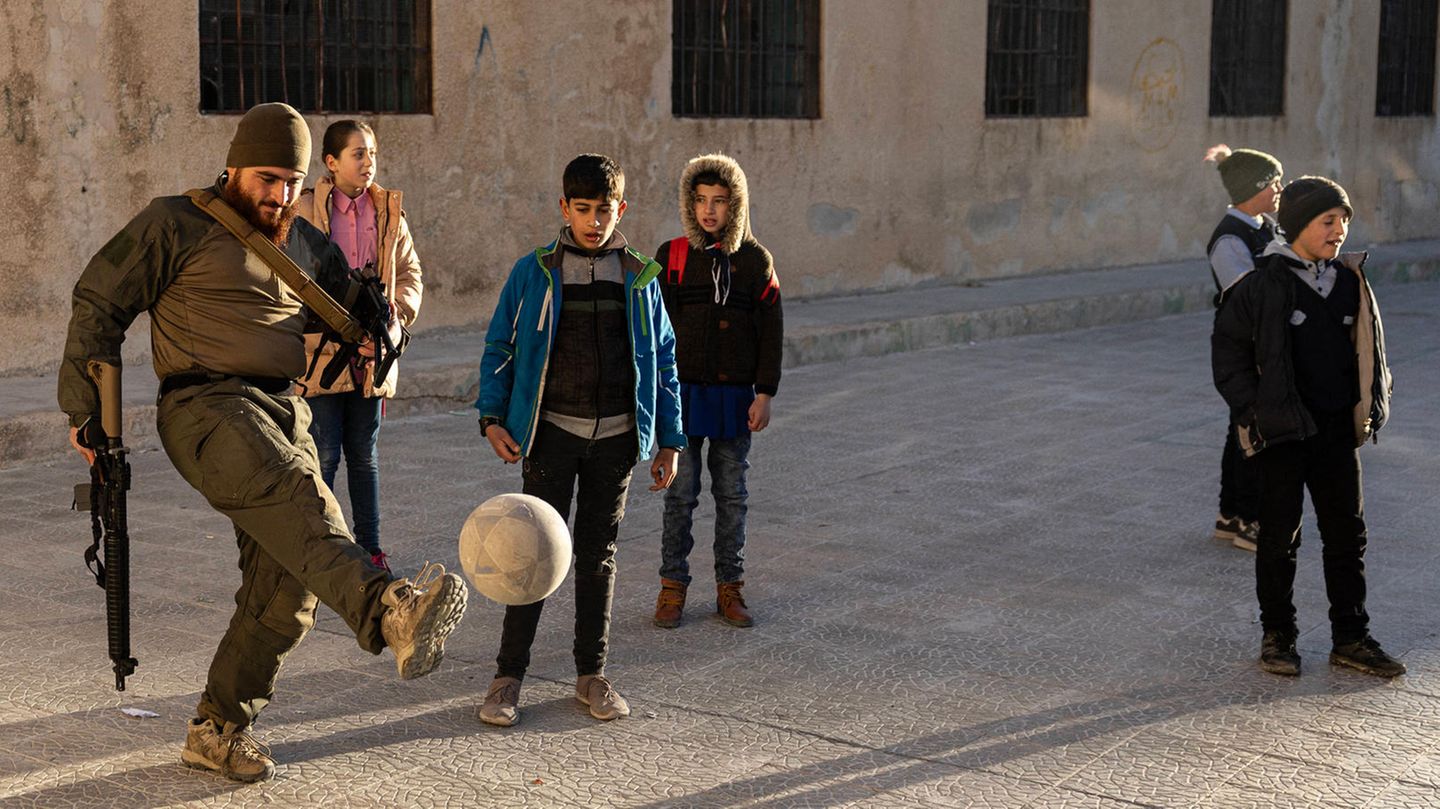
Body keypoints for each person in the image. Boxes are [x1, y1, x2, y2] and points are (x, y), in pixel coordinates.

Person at [58, 103, 467, 783]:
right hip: (205, 404)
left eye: (291, 182)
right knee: (297, 495)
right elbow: (99, 299)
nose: (278, 194)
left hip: (284, 406)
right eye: (268, 178)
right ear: (235, 165)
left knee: (291, 582)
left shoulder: (301, 240)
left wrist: (380, 324)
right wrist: (85, 410)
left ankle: (219, 726)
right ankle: (390, 609)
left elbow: (359, 300)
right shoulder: (176, 222)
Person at [473, 154, 685, 727]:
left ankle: (591, 675)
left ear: (623, 209)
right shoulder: (533, 272)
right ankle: (507, 678)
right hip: (550, 439)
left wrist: (669, 439)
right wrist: (492, 417)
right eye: (583, 209)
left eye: (605, 209)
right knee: (530, 555)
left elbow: (664, 358)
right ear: (563, 208)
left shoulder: (639, 277)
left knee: (598, 557)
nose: (595, 221)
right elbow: (501, 347)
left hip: (615, 441)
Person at [1211, 176, 1404, 678]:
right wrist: (1252, 411)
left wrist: (1371, 405)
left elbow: (1371, 348)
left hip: (1338, 433)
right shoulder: (1259, 285)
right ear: (1298, 225)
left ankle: (1351, 636)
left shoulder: (1349, 282)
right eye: (1327, 221)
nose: (1339, 231)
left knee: (1347, 536)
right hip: (1283, 434)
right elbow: (1228, 352)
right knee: (1279, 538)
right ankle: (1279, 635)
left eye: (1344, 221)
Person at [651, 153, 783, 629]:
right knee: (679, 496)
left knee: (732, 495)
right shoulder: (672, 257)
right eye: (701, 200)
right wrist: (657, 400)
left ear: (737, 205)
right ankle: (672, 588)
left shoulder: (755, 262)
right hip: (683, 397)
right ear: (690, 204)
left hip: (735, 400)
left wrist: (764, 392)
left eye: (720, 201)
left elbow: (771, 330)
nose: (710, 210)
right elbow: (655, 330)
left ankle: (731, 587)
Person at [294, 119, 424, 572]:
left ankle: (370, 549)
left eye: (372, 153)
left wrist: (393, 319)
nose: (368, 162)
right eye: (358, 153)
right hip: (320, 354)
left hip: (372, 355)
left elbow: (410, 276)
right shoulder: (304, 210)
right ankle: (320, 549)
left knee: (364, 456)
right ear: (331, 163)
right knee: (323, 452)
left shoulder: (388, 211)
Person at [1203, 144, 1283, 552]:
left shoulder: (1264, 226)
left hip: (1261, 341)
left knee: (1242, 429)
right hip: (1241, 346)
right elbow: (1247, 295)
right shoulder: (1229, 238)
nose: (1279, 190)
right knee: (1255, 428)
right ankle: (1251, 521)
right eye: (1274, 183)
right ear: (1255, 187)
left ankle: (1230, 514)